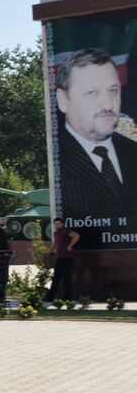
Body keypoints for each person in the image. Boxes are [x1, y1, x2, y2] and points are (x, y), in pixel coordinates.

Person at [54, 48, 137, 223]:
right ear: (63, 100)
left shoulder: (132, 151)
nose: (108, 104)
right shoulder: (57, 159)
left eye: (113, 90)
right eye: (92, 92)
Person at [45, 218, 81, 303]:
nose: (57, 225)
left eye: (58, 223)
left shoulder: (67, 231)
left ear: (62, 224)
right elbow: (55, 243)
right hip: (59, 258)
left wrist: (70, 245)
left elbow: (77, 236)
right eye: (55, 224)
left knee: (66, 278)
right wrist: (49, 252)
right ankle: (50, 297)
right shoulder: (55, 233)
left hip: (67, 257)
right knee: (56, 278)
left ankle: (68, 298)